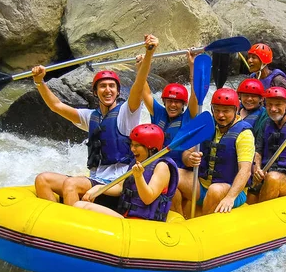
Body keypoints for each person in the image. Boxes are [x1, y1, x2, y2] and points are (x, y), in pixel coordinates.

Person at [32, 34, 158, 206]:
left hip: (115, 184)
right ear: (95, 91)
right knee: (43, 180)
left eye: (112, 86)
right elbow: (56, 106)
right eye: (103, 86)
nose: (108, 90)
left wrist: (149, 54)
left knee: (72, 184)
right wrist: (40, 82)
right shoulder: (90, 116)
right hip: (95, 179)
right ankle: (54, 227)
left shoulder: (127, 113)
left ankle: (72, 229)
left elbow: (139, 85)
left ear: (118, 92)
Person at [73, 124, 179, 221]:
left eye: (137, 146)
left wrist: (139, 177)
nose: (132, 149)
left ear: (151, 148)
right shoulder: (137, 162)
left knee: (86, 207)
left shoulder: (162, 167)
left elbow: (148, 198)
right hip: (127, 217)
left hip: (145, 224)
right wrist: (98, 189)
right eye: (132, 144)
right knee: (79, 205)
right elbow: (120, 187)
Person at [175, 88, 254, 216]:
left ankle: (202, 228)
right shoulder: (208, 125)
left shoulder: (244, 134)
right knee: (172, 172)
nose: (220, 115)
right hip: (202, 185)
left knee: (215, 190)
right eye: (217, 110)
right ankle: (178, 221)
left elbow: (245, 171)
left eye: (226, 111)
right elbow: (186, 152)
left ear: (235, 110)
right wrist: (189, 158)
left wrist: (230, 197)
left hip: (231, 190)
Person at [139, 51, 199, 168]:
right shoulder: (158, 113)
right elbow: (144, 91)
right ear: (164, 102)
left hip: (178, 169)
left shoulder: (189, 117)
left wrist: (192, 66)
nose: (172, 105)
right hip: (157, 166)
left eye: (177, 102)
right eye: (169, 101)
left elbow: (195, 94)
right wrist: (142, 67)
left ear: (183, 104)